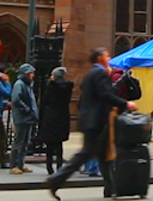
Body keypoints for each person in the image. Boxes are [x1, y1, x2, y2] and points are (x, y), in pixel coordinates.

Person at [46, 48, 137, 201]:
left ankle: (112, 189)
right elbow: (106, 95)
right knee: (85, 154)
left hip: (92, 120)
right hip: (95, 121)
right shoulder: (99, 73)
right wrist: (126, 104)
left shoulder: (91, 74)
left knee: (105, 156)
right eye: (107, 55)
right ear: (100, 58)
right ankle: (56, 179)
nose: (109, 57)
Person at [38, 67, 74, 174]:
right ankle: (59, 165)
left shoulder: (51, 87)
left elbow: (44, 102)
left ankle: (49, 167)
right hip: (63, 117)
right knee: (59, 144)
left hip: (51, 117)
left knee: (49, 144)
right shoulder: (68, 87)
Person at [10, 63, 39, 174]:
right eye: (31, 73)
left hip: (28, 118)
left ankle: (20, 164)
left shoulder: (27, 85)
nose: (33, 75)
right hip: (21, 117)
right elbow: (16, 99)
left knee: (25, 142)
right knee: (19, 142)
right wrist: (27, 109)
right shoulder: (20, 84)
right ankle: (14, 165)